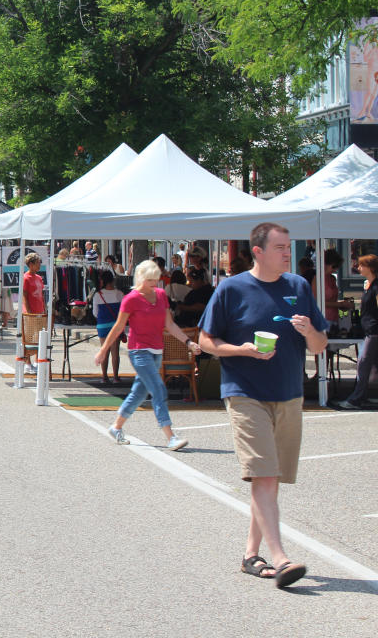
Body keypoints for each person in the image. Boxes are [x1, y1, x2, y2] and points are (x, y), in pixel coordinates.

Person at [198, 222, 327, 588]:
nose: (288, 253)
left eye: (289, 247)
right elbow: (206, 339)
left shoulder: (299, 287)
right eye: (281, 248)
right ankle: (282, 557)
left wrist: (309, 333)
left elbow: (320, 346)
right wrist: (239, 350)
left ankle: (250, 554)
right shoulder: (232, 288)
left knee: (269, 478)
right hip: (244, 390)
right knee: (264, 473)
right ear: (258, 251)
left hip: (288, 394)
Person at [94, 260, 197, 450]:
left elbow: (170, 324)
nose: (154, 283)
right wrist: (103, 350)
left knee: (139, 392)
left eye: (156, 279)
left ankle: (116, 427)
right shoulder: (131, 299)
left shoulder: (160, 295)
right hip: (139, 350)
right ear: (140, 278)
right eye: (149, 279)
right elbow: (118, 327)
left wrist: (188, 342)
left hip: (157, 350)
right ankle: (170, 436)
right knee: (158, 389)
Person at [339, 254, 377, 409]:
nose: (358, 268)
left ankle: (356, 399)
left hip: (374, 331)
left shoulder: (376, 287)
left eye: (362, 265)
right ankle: (364, 396)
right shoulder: (370, 285)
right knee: (369, 365)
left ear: (370, 268)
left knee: (363, 364)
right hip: (370, 330)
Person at [92, 270, 124, 385]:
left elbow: (95, 313)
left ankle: (104, 377)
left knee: (104, 350)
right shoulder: (119, 293)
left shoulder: (97, 295)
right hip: (115, 325)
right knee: (115, 352)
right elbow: (123, 312)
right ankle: (115, 377)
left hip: (102, 325)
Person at [21, 253, 46, 368]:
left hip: (40, 310)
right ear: (31, 264)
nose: (39, 264)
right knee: (29, 337)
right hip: (30, 312)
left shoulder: (39, 278)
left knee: (39, 337)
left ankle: (37, 360)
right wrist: (28, 310)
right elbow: (24, 295)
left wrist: (44, 308)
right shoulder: (25, 278)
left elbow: (42, 294)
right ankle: (27, 362)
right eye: (37, 263)